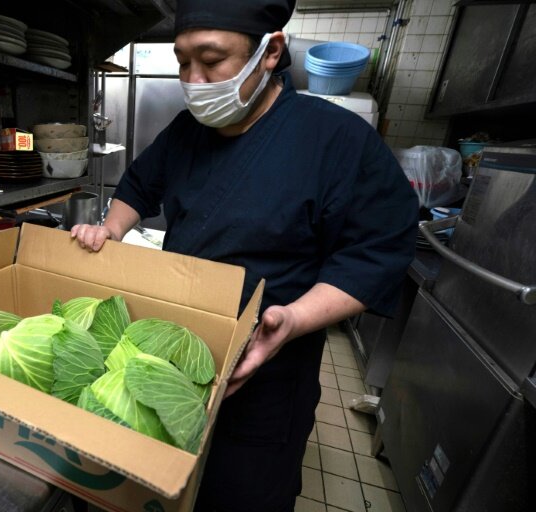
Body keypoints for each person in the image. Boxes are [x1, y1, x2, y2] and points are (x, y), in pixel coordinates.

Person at [71, 0, 418, 509]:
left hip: (269, 363)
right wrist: (110, 231)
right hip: (174, 347)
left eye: (212, 61)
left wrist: (293, 318)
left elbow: (378, 249)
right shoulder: (188, 132)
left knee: (241, 493)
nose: (193, 78)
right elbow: (141, 185)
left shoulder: (336, 139)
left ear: (270, 51)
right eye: (182, 61)